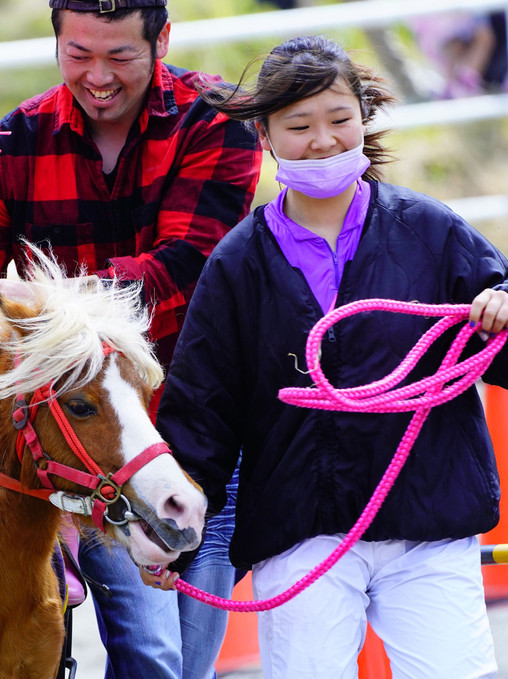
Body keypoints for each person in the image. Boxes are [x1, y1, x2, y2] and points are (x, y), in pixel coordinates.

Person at [156, 35, 508, 678]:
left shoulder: (431, 230)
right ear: (264, 134)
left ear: (364, 118)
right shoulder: (236, 263)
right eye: (299, 125)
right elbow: (201, 414)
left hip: (427, 519)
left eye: (340, 119)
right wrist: (170, 538)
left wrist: (502, 309)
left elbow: (501, 339)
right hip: (300, 527)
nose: (323, 141)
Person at [0, 1, 262, 677]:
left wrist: (42, 300)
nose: (99, 77)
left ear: (163, 40)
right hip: (89, 433)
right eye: (78, 54)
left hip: (204, 416)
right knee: (151, 653)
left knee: (189, 662)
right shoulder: (14, 143)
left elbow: (186, 265)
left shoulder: (216, 122)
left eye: (120, 56)